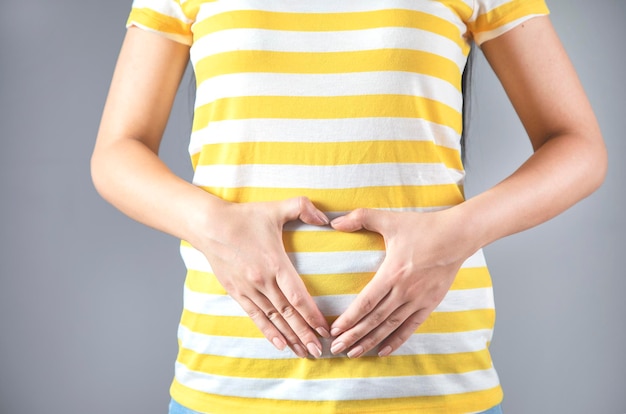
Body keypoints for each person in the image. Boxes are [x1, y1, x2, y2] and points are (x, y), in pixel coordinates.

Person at [91, 0, 607, 413]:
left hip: (432, 386)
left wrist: (457, 234)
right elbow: (117, 152)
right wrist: (213, 225)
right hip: (231, 384)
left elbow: (578, 146)